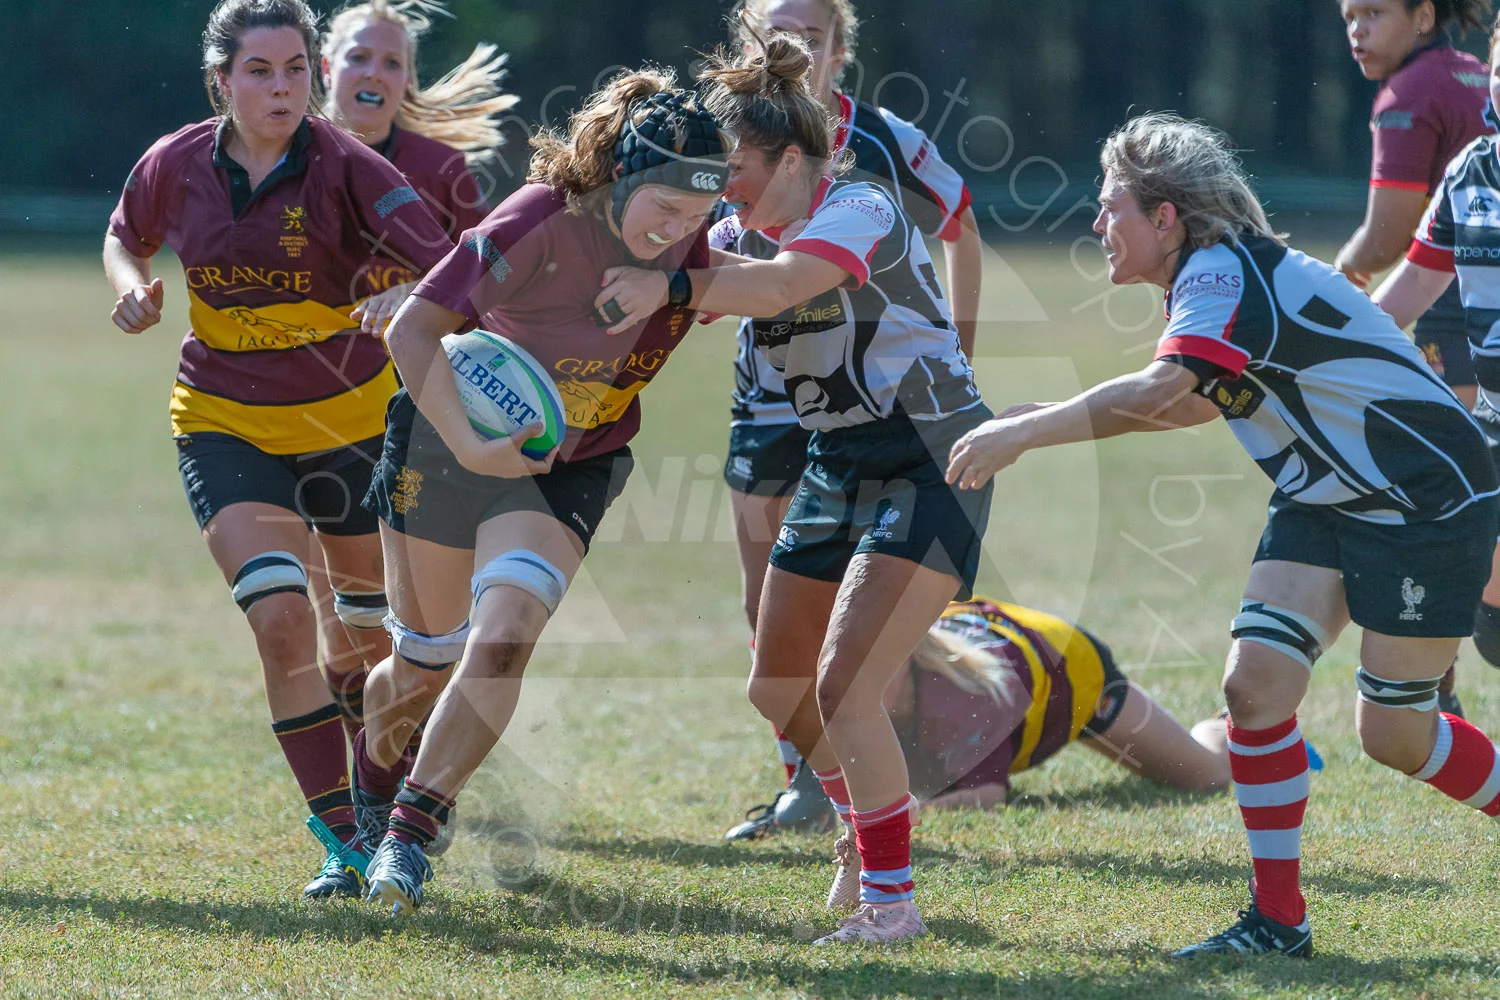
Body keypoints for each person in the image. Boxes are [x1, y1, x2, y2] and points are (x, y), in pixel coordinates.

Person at [945, 113, 1500, 959]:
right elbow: (1199, 398)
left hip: (1422, 497)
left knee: (1394, 735)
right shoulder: (1210, 277)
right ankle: (1279, 924)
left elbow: (1166, 391)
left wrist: (1031, 431)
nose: (1099, 224)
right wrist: (1045, 421)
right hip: (1327, 495)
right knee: (1254, 690)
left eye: (1112, 208)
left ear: (1165, 216)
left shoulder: (1217, 271)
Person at [595, 26, 992, 945]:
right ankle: (875, 824)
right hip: (838, 461)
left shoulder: (861, 208)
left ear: (790, 161)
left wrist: (671, 285)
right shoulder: (742, 225)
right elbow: (683, 262)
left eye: (729, 167)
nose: (716, 188)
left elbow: (779, 290)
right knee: (778, 689)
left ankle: (890, 901)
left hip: (933, 459)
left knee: (844, 685)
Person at [350, 69, 730, 917]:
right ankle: (370, 793)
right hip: (447, 442)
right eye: (663, 210)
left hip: (569, 465)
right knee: (418, 670)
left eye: (697, 218)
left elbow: (769, 281)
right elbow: (414, 329)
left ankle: (408, 836)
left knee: (505, 639)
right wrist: (470, 445)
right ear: (619, 179)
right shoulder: (537, 218)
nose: (677, 234)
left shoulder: (688, 251)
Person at [102, 0, 455, 899]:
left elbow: (453, 265)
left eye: (297, 68)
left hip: (351, 426)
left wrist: (402, 293)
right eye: (261, 71)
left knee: (373, 639)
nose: (284, 88)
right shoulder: (174, 163)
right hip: (224, 420)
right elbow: (123, 233)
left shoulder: (348, 164)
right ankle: (343, 840)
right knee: (282, 618)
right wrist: (134, 285)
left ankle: (388, 808)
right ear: (220, 80)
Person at [716, 0, 984, 842]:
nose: (795, 43)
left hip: (917, 443)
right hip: (807, 421)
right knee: (778, 663)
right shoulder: (732, 176)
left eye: (814, 30)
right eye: (778, 28)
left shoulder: (865, 182)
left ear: (842, 47)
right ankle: (843, 797)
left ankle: (882, 859)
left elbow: (773, 285)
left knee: (847, 671)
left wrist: (957, 354)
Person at [316, 0, 516, 746]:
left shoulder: (438, 169)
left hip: (415, 415)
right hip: (305, 411)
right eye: (361, 57)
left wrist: (420, 295)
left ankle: (397, 776)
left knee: (413, 625)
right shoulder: (282, 158)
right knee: (342, 619)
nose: (376, 72)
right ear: (327, 68)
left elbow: (492, 282)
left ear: (407, 82)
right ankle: (372, 758)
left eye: (392, 62)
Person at [1335, 0, 1497, 698]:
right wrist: (1322, 351)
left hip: (1464, 364)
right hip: (1489, 402)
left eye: (1373, 13)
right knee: (1492, 627)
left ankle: (1435, 698)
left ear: (1424, 16)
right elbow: (1408, 287)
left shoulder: (1407, 94)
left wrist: (1343, 270)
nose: (1357, 31)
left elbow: (1384, 231)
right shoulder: (1471, 173)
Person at [883, 597, 1231, 813]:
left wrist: (905, 815)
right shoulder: (845, 690)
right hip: (1006, 633)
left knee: (1207, 776)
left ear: (909, 653)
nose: (856, 676)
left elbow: (987, 796)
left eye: (876, 661)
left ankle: (1222, 724)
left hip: (1072, 675)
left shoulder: (956, 700)